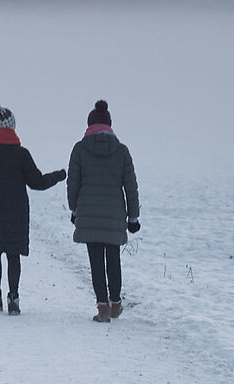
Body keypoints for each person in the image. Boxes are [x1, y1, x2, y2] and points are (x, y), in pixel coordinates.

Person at [0, 100, 65, 313]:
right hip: (16, 213)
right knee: (14, 254)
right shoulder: (21, 154)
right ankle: (14, 298)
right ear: (12, 126)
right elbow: (37, 182)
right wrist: (59, 175)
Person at [67, 98, 142, 321]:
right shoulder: (121, 151)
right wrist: (133, 216)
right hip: (115, 215)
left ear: (89, 125)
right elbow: (131, 186)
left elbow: (73, 183)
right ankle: (116, 303)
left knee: (96, 262)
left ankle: (103, 308)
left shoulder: (80, 149)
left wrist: (74, 209)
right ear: (110, 126)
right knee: (113, 259)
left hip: (88, 214)